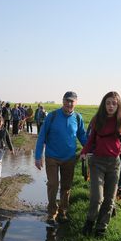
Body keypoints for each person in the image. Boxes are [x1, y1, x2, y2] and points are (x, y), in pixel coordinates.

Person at [80, 92, 121, 236]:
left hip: (114, 164)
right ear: (104, 105)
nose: (111, 106)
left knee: (110, 199)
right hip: (97, 163)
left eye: (114, 103)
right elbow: (90, 140)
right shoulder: (97, 120)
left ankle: (101, 228)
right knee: (97, 198)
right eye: (108, 103)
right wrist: (83, 152)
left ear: (118, 105)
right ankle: (90, 221)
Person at [35, 92, 87, 225]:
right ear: (63, 101)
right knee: (53, 184)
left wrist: (90, 150)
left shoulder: (78, 118)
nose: (69, 104)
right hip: (52, 156)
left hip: (69, 158)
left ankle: (63, 211)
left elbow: (82, 136)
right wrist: (38, 156)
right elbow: (41, 137)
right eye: (67, 101)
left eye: (72, 101)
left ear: (76, 102)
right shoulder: (52, 116)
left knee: (66, 186)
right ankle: (52, 212)